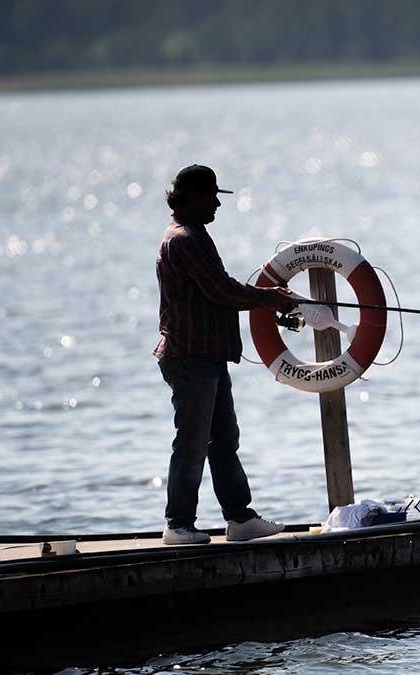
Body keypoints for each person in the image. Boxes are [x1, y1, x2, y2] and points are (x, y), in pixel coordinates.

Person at [154, 164, 297, 545]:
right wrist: (273, 299)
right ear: (194, 197)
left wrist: (268, 301)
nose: (218, 202)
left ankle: (239, 519)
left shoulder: (193, 235)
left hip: (208, 357)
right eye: (213, 195)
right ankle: (178, 525)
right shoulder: (184, 240)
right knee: (191, 443)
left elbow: (218, 292)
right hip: (190, 357)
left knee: (223, 440)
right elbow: (222, 291)